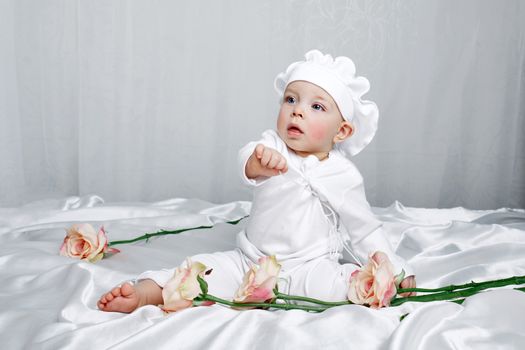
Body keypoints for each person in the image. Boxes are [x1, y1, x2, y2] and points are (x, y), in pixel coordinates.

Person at [98, 49, 416, 313]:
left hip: (311, 265)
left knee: (343, 287)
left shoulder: (342, 175)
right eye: (291, 100)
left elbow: (364, 228)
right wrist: (257, 164)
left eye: (316, 106)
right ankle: (146, 292)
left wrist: (394, 271)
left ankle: (368, 285)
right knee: (200, 270)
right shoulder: (272, 147)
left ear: (342, 131)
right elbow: (247, 161)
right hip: (250, 262)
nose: (298, 112)